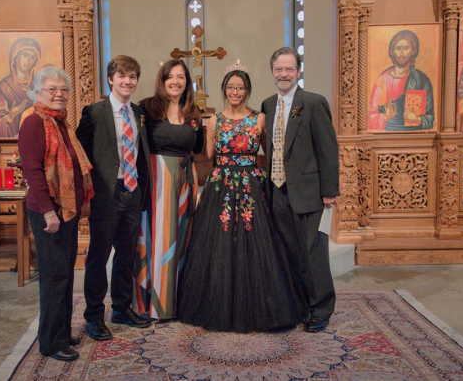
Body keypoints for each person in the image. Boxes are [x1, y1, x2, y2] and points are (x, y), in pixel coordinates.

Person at [177, 67, 309, 333]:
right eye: (230, 87)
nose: (235, 92)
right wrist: (178, 151)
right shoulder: (214, 120)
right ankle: (218, 303)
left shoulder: (260, 118)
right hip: (220, 186)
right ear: (224, 90)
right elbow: (207, 155)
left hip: (251, 184)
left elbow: (274, 153)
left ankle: (261, 303)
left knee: (256, 244)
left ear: (247, 90)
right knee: (219, 245)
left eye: (240, 87)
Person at [261, 47, 340, 333]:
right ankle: (299, 305)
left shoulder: (313, 103)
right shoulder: (268, 105)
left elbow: (328, 149)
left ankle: (321, 308)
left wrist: (330, 191)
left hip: (310, 192)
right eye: (279, 69)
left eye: (289, 69)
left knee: (313, 253)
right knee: (289, 252)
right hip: (278, 191)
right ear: (272, 72)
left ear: (298, 71)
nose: (284, 74)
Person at [18, 66, 93, 361]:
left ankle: (60, 332)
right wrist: (49, 213)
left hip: (66, 211)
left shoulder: (61, 122)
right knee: (53, 276)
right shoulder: (34, 122)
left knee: (63, 274)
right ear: (38, 92)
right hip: (49, 212)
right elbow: (33, 172)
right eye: (52, 89)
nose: (59, 94)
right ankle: (50, 341)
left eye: (64, 89)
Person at [76, 55, 153, 341]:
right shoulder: (94, 112)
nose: (128, 81)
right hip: (106, 194)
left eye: (132, 76)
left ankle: (121, 308)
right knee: (99, 256)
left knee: (126, 254)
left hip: (132, 192)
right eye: (122, 76)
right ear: (111, 79)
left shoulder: (139, 112)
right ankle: (94, 316)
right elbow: (80, 152)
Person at [134, 59, 204, 320]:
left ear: (187, 81)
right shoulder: (147, 108)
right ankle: (149, 306)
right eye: (170, 76)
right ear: (162, 80)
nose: (176, 81)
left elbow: (201, 151)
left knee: (183, 240)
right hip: (156, 180)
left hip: (186, 180)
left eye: (181, 77)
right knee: (155, 239)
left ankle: (177, 303)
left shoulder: (194, 112)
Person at [367, 30, 435, 131]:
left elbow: (431, 119)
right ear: (392, 51)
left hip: (414, 139)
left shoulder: (422, 80)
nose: (401, 54)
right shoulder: (382, 80)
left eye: (406, 48)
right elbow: (370, 118)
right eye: (398, 48)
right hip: (386, 138)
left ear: (413, 51)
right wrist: (385, 117)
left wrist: (418, 119)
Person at [0, 37, 41, 138]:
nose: (29, 60)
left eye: (33, 57)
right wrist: (11, 115)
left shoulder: (40, 86)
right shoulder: (2, 89)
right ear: (15, 57)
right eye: (25, 55)